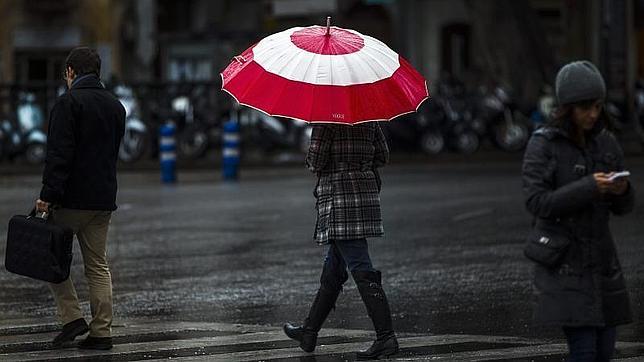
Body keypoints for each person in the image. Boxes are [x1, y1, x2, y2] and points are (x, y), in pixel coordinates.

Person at [522, 60, 635, 362]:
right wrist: (589, 186)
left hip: (602, 264)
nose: (592, 114)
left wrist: (622, 190)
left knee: (603, 353)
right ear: (567, 107)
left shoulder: (605, 141)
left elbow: (624, 207)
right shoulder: (544, 144)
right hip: (565, 265)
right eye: (585, 107)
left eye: (597, 107)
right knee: (584, 353)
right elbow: (537, 202)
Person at [283, 122, 398, 360]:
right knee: (333, 269)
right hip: (364, 197)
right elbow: (383, 156)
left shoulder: (326, 122)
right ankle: (309, 331)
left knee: (360, 266)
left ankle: (386, 337)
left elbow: (316, 161)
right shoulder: (369, 120)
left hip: (339, 201)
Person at [35, 47, 125, 350]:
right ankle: (102, 332)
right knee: (97, 266)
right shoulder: (116, 106)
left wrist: (47, 197)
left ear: (71, 72)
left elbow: (58, 157)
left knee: (50, 259)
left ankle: (72, 318)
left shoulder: (67, 103)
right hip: (102, 201)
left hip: (70, 200)